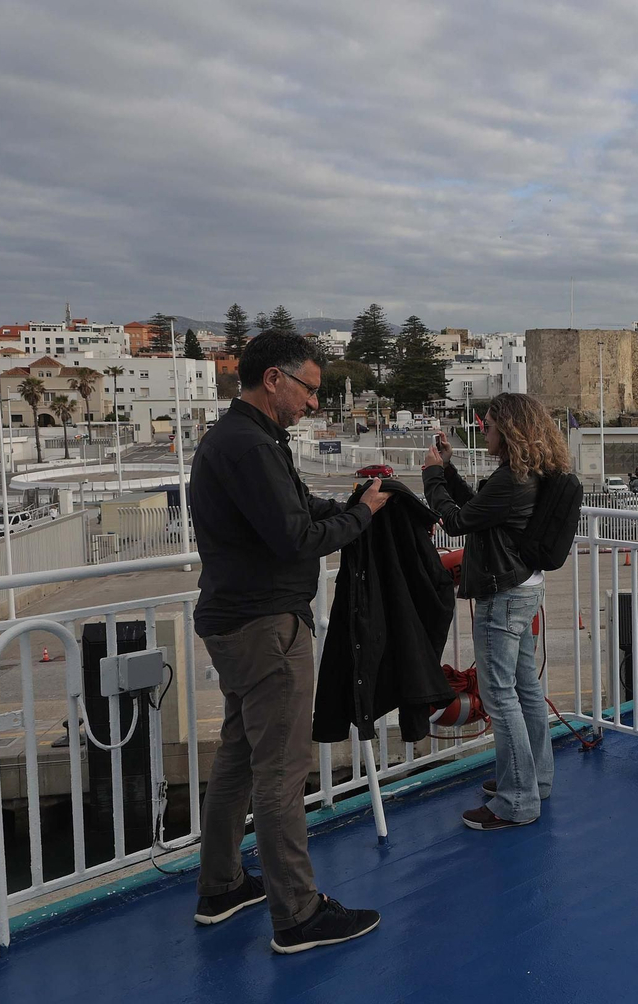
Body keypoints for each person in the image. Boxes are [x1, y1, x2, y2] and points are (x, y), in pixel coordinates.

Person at [189, 331, 389, 954]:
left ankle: (221, 886)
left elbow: (295, 510)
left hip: (236, 622)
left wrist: (352, 504)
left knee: (240, 756)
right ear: (274, 380)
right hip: (265, 629)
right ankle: (298, 915)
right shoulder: (250, 447)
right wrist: (362, 519)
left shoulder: (242, 440)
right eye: (308, 389)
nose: (312, 404)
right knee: (282, 770)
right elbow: (296, 538)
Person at [422, 392, 571, 830]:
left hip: (502, 596)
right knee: (524, 689)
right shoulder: (530, 475)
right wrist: (448, 470)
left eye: (487, 426)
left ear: (507, 430)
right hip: (525, 588)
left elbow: (455, 521)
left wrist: (431, 477)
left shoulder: (513, 480)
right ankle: (534, 779)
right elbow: (478, 511)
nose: (483, 431)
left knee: (499, 696)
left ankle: (517, 801)